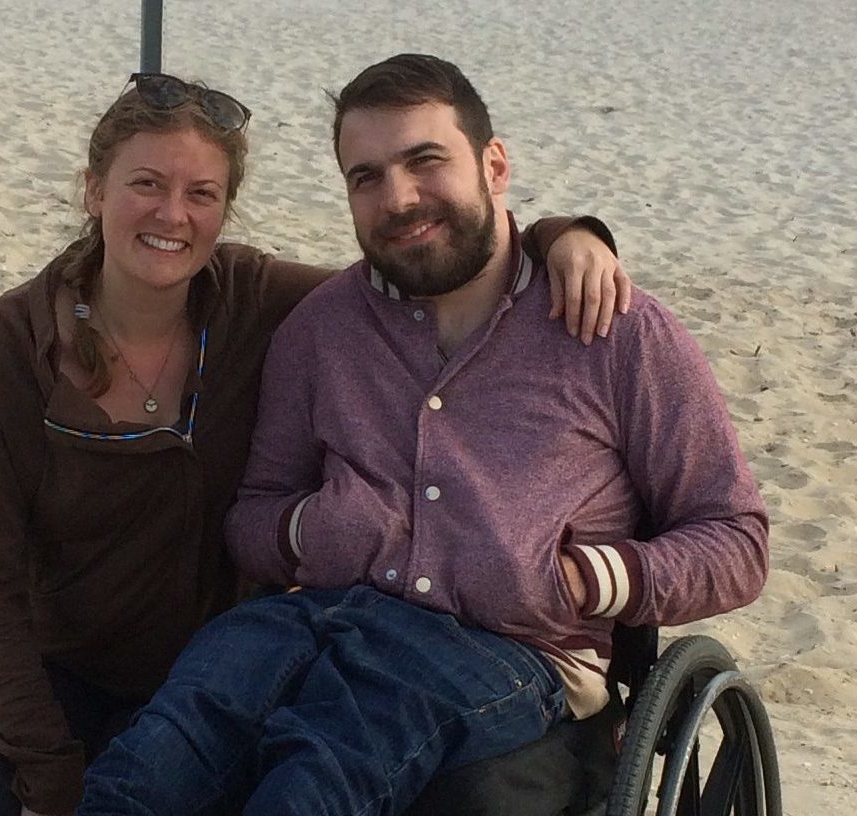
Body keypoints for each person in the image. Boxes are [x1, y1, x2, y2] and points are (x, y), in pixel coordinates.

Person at [0, 71, 634, 816]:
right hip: (50, 663)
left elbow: (430, 268)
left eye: (202, 194)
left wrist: (560, 238)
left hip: (219, 661)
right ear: (94, 189)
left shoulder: (265, 302)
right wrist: (48, 774)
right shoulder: (2, 352)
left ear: (225, 209)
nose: (172, 214)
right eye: (146, 184)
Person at [72, 54, 773, 816]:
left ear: (494, 163)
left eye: (424, 160)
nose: (398, 198)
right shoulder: (320, 330)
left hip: (511, 650)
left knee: (318, 781)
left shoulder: (616, 329)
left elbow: (735, 540)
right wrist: (314, 528)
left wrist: (582, 577)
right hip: (316, 615)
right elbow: (253, 517)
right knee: (147, 768)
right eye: (365, 177)